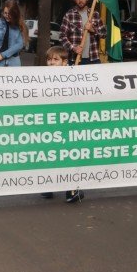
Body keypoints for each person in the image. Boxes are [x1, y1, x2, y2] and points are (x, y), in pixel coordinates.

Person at [39, 45, 85, 202]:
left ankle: (72, 189)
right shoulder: (40, 76)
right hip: (50, 123)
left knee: (68, 155)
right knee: (49, 153)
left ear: (65, 62)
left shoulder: (74, 75)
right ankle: (49, 185)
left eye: (55, 60)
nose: (51, 63)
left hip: (68, 123)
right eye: (49, 60)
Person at [60, 0, 106, 65]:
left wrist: (93, 29)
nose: (80, 0)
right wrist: (73, 48)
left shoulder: (94, 14)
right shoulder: (69, 15)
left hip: (93, 59)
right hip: (75, 59)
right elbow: (62, 36)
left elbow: (104, 34)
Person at [0, 0, 29, 67]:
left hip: (13, 61)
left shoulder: (19, 25)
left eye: (9, 14)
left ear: (14, 13)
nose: (6, 15)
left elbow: (19, 45)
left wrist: (2, 55)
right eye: (5, 13)